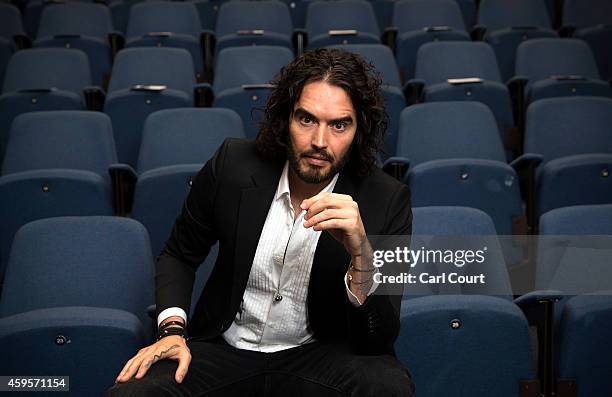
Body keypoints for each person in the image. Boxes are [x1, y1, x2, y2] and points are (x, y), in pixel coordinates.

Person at [106, 48, 414, 396]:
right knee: (132, 394)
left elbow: (378, 339)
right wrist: (172, 331)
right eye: (306, 119)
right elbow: (179, 254)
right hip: (224, 350)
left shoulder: (387, 200)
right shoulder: (232, 164)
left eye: (339, 125)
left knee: (389, 386)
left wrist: (362, 258)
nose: (319, 141)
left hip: (319, 356)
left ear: (358, 130)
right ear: (286, 119)